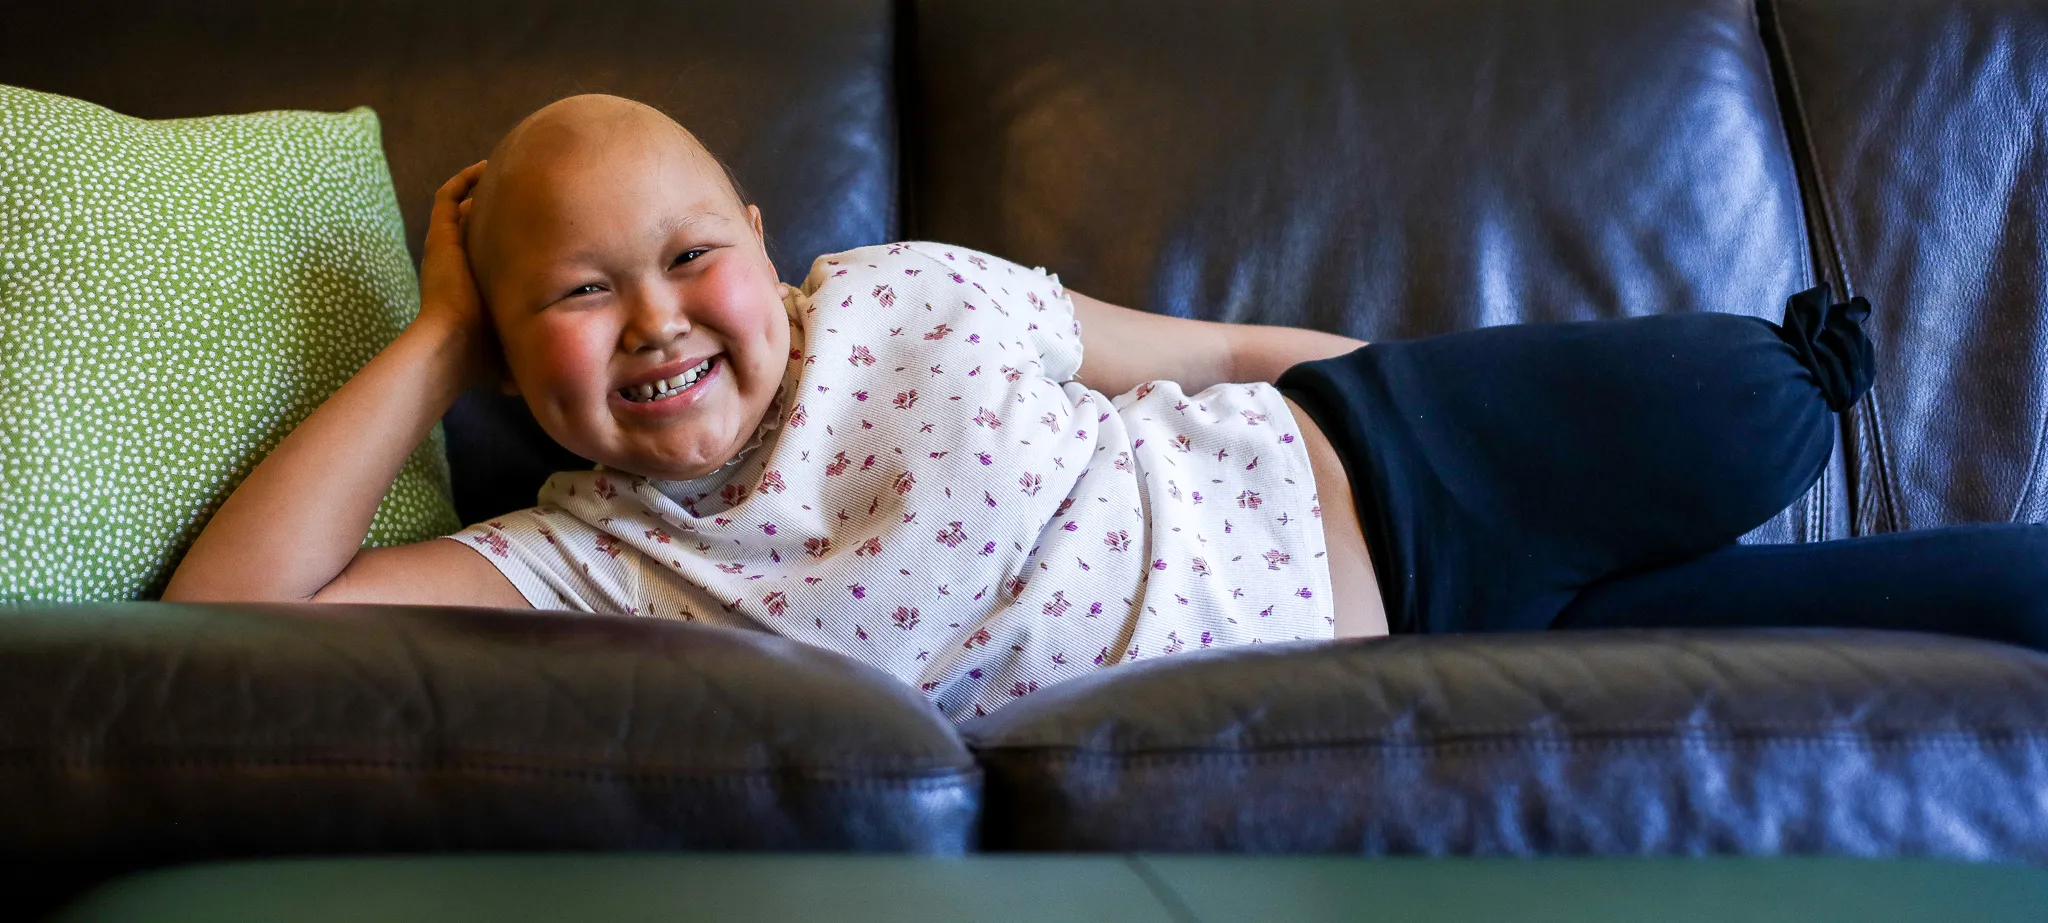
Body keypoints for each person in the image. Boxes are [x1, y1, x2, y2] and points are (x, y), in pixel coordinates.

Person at [165, 94, 2048, 721]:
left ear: (764, 235)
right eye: (575, 296)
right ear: (516, 361)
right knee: (1871, 630)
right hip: (1406, 686)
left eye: (684, 255)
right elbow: (219, 633)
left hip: (1404, 472)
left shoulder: (907, 292)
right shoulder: (584, 566)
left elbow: (1218, 360)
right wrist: (429, 326)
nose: (655, 318)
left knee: (1767, 404)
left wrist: (1406, 398)